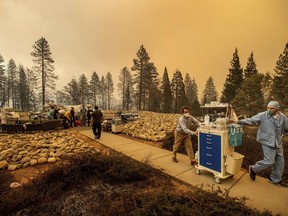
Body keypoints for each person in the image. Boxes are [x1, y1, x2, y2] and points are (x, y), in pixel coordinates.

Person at [235, 101, 288, 187]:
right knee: (269, 161)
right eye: (268, 108)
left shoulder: (283, 118)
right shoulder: (263, 115)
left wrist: (283, 134)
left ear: (277, 109)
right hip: (267, 141)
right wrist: (238, 121)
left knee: (280, 162)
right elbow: (251, 120)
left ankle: (275, 180)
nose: (269, 110)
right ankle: (253, 169)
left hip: (278, 142)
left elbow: (287, 127)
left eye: (271, 108)